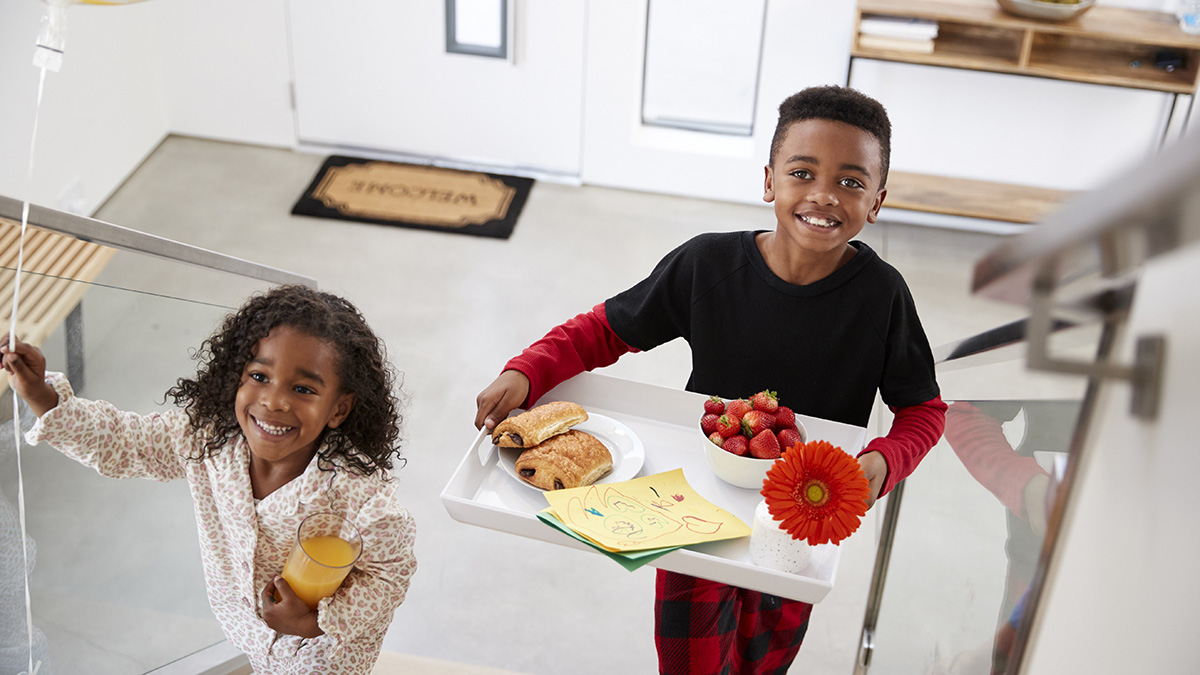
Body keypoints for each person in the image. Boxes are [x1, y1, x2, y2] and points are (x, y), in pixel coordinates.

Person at [474, 85, 947, 674]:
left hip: (804, 516)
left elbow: (924, 410)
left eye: (852, 182)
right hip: (690, 503)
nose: (824, 195)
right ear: (770, 181)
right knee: (690, 663)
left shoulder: (883, 297)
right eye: (803, 172)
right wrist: (528, 369)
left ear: (877, 201)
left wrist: (882, 462)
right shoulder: (707, 265)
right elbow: (603, 331)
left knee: (763, 661)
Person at [2, 285, 416, 675]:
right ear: (236, 375)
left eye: (304, 389)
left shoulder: (363, 499)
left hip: (322, 658)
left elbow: (388, 576)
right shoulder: (205, 437)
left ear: (338, 410)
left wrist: (313, 622)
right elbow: (125, 442)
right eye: (259, 376)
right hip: (247, 632)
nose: (273, 400)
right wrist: (41, 394)